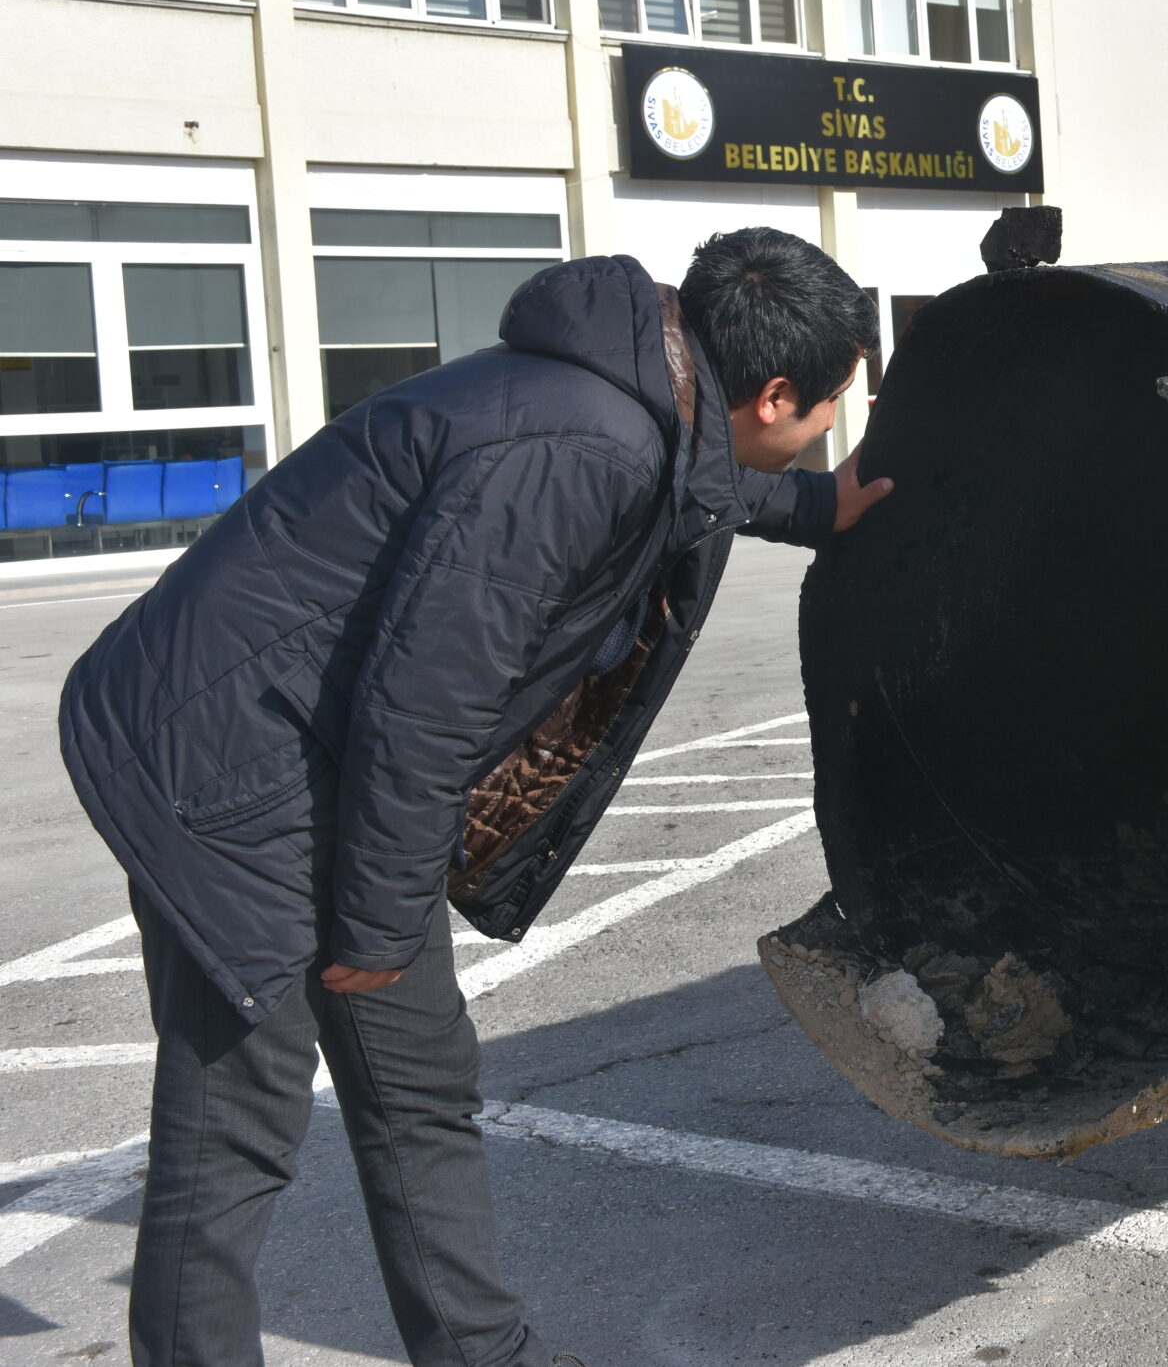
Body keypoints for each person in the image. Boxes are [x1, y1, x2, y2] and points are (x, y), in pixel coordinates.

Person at [57, 227, 890, 1367]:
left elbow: (699, 478)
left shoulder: (640, 396)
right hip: (226, 771)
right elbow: (424, 705)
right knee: (235, 1125)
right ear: (776, 393)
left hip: (335, 765)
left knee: (419, 1080)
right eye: (831, 406)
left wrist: (814, 506)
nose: (832, 426)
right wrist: (375, 927)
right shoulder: (580, 446)